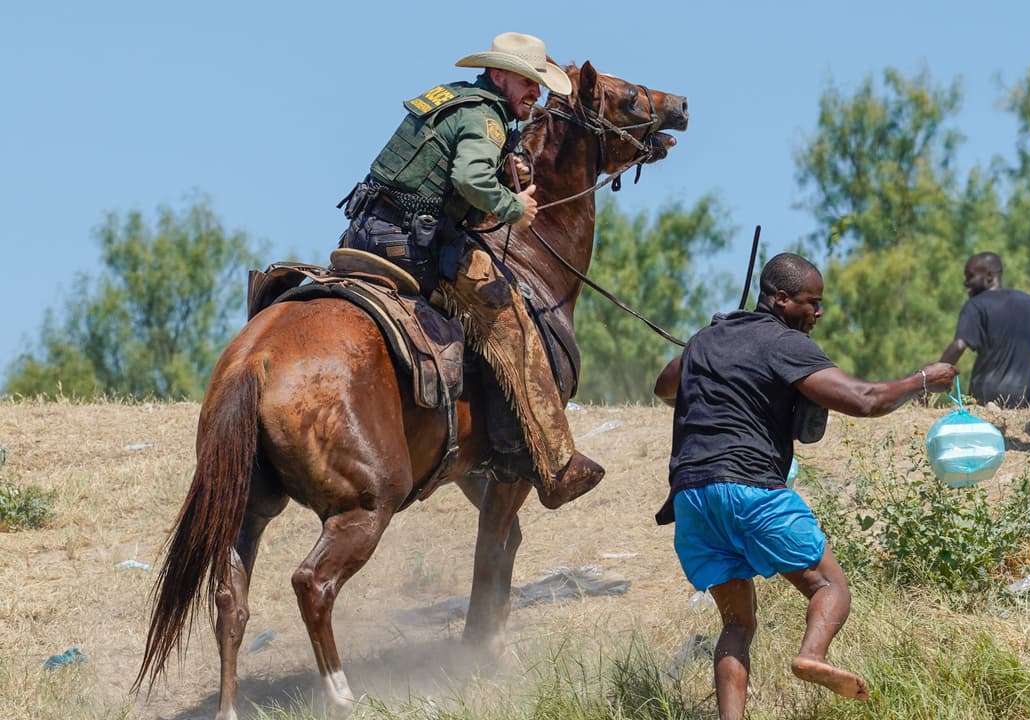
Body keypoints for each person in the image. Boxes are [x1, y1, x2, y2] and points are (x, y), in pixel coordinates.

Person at [653, 253, 958, 719]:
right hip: (750, 487)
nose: (818, 313)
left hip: (692, 498)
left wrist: (709, 346)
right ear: (780, 298)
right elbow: (866, 400)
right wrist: (922, 379)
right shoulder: (785, 344)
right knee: (830, 587)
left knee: (736, 624)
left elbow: (665, 386)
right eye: (811, 303)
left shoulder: (707, 338)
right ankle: (812, 655)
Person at [337, 32, 602, 507]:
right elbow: (469, 177)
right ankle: (556, 463)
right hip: (416, 246)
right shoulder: (487, 119)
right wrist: (513, 206)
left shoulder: (454, 101)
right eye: (527, 82)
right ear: (499, 75)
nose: (535, 93)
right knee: (514, 321)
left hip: (364, 234)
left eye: (538, 85)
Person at [940, 252, 1030, 409]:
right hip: (1024, 402)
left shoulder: (975, 306)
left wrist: (928, 381)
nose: (966, 283)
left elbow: (959, 345)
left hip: (984, 397)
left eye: (970, 276)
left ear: (989, 276)